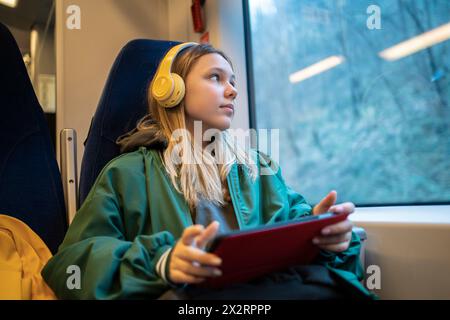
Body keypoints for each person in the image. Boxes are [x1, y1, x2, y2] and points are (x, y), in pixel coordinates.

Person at [42, 42, 375, 300]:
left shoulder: (258, 170)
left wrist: (323, 236)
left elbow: (295, 230)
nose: (232, 90)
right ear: (172, 90)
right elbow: (71, 264)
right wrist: (160, 263)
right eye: (215, 77)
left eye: (233, 81)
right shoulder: (128, 174)